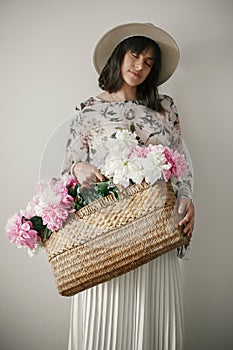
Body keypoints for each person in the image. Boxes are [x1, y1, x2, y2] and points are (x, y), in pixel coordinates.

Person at [62, 22, 195, 350]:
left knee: (152, 316)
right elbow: (67, 170)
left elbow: (181, 164)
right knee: (102, 320)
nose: (140, 66)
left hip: (155, 228)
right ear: (119, 56)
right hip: (105, 231)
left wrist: (187, 199)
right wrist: (80, 168)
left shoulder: (165, 108)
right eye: (136, 55)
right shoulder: (88, 111)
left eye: (149, 62)